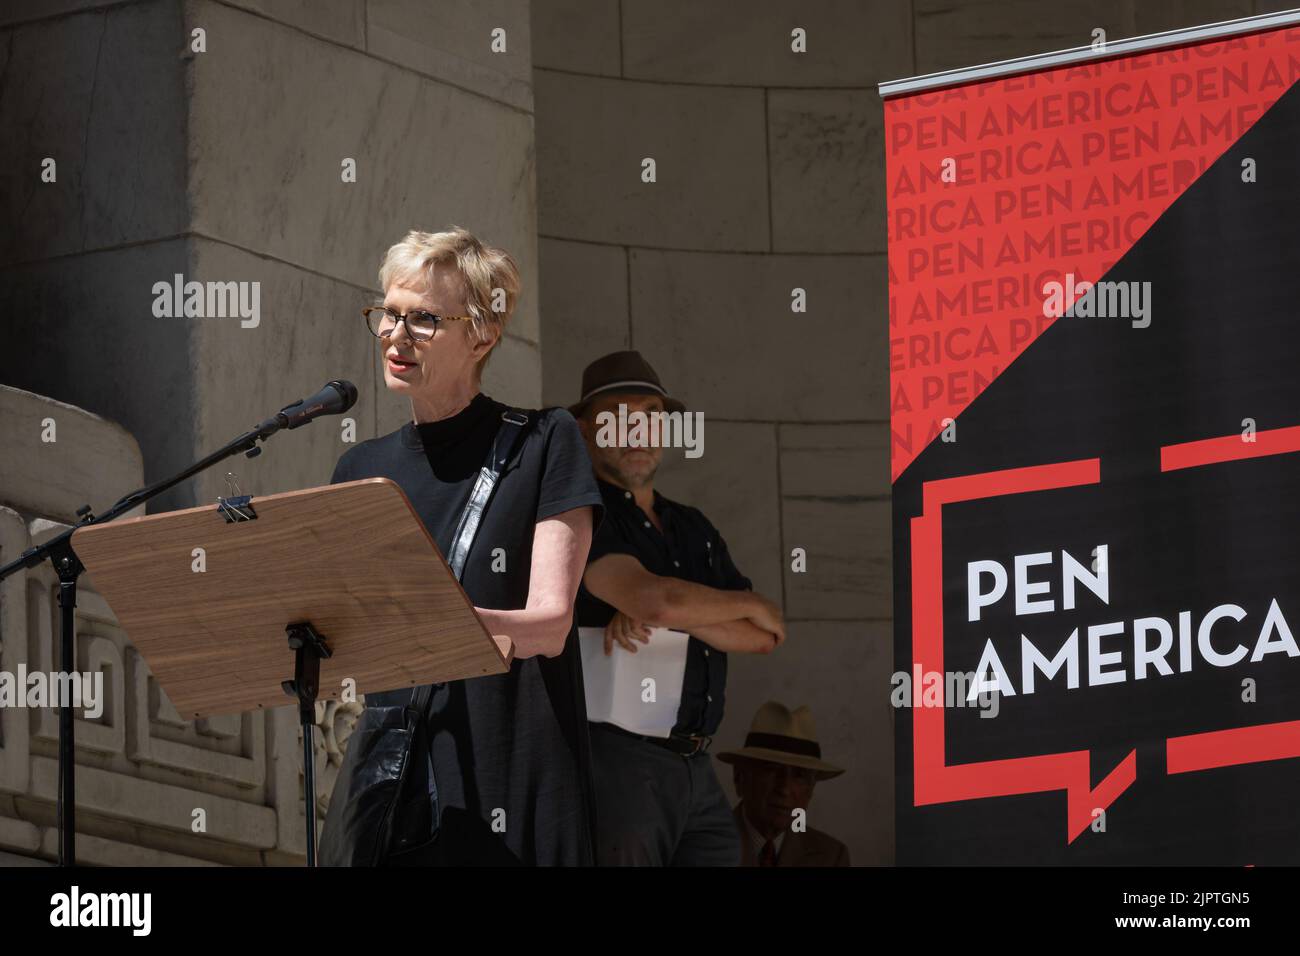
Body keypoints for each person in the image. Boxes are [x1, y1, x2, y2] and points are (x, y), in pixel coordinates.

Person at [325, 226, 604, 865]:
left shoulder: (544, 442)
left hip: (512, 768)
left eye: (423, 319)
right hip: (400, 783)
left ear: (483, 333)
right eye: (389, 315)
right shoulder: (360, 470)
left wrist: (434, 627)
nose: (397, 335)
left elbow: (551, 624)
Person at [572, 350, 787, 866]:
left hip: (696, 760)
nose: (637, 430)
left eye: (650, 415)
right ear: (583, 431)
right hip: (618, 757)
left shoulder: (693, 526)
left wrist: (686, 608)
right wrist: (683, 605)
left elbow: (766, 634)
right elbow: (656, 600)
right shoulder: (581, 512)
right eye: (617, 417)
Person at [717, 701, 850, 867]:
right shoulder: (701, 847)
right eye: (771, 770)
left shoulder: (831, 857)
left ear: (811, 790)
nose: (784, 789)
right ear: (740, 777)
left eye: (800, 776)